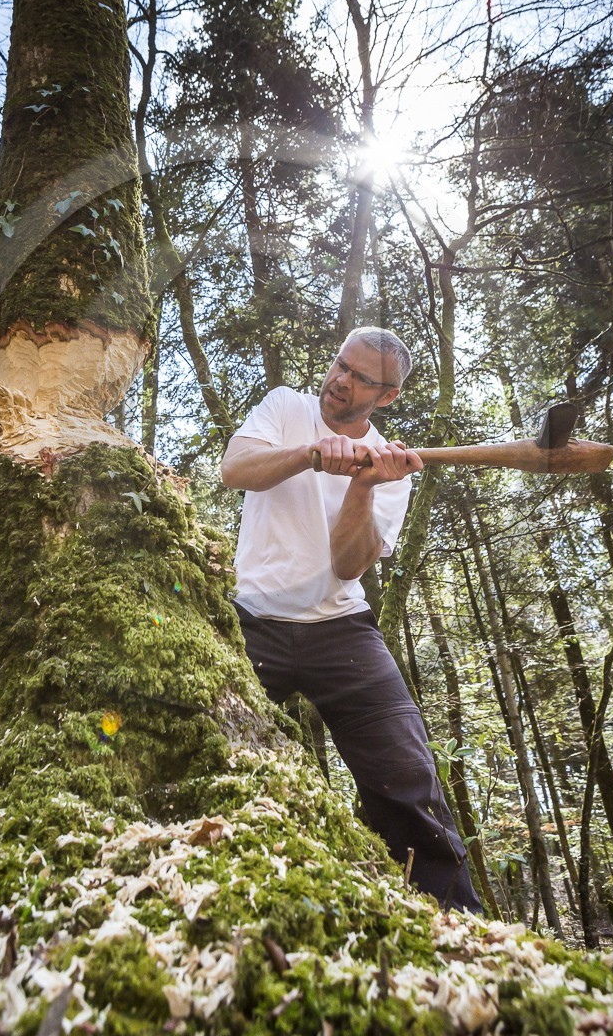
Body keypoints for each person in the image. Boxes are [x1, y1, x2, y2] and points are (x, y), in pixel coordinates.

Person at [221, 326, 481, 913]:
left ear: (386, 396)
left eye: (361, 378)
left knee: (408, 784)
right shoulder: (286, 407)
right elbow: (235, 469)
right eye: (341, 364)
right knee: (204, 744)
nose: (341, 380)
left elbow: (346, 565)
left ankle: (459, 930)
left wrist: (363, 485)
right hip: (253, 623)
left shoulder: (392, 469)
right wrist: (310, 455)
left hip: (342, 631)